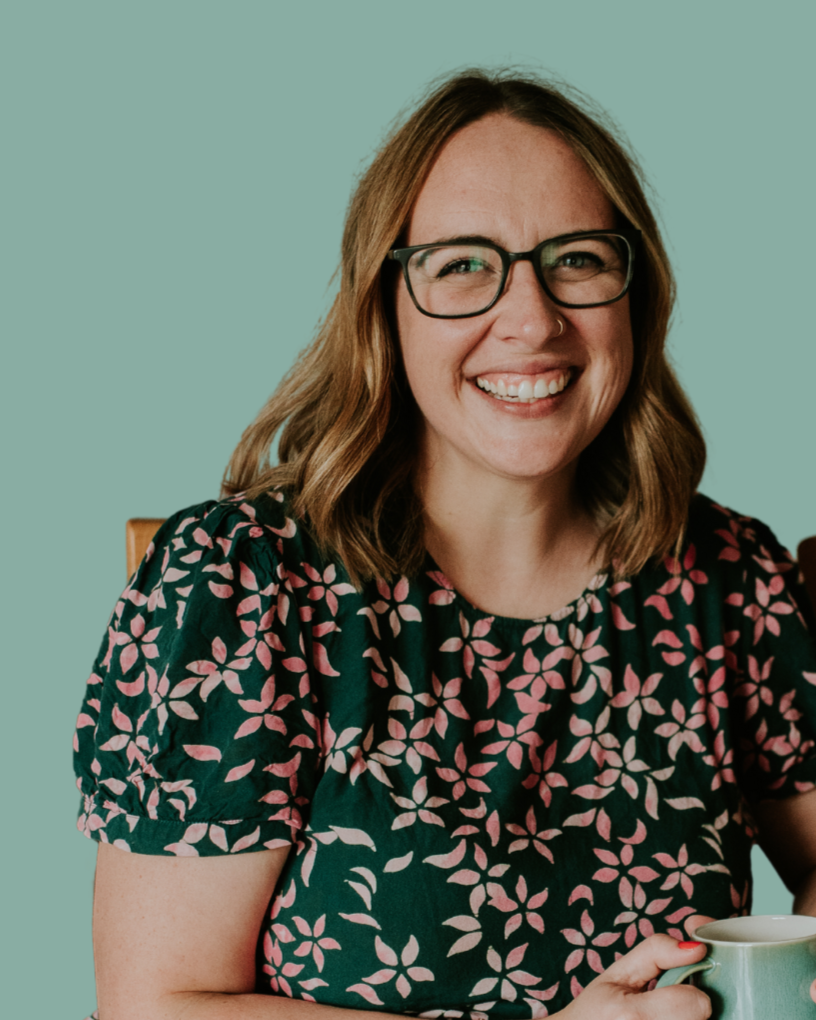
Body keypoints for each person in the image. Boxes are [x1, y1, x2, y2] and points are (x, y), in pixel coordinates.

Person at [74, 70, 816, 1020]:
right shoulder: (245, 589)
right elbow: (154, 1006)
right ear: (384, 305)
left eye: (578, 259)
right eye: (462, 265)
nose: (533, 319)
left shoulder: (728, 577)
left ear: (638, 293)